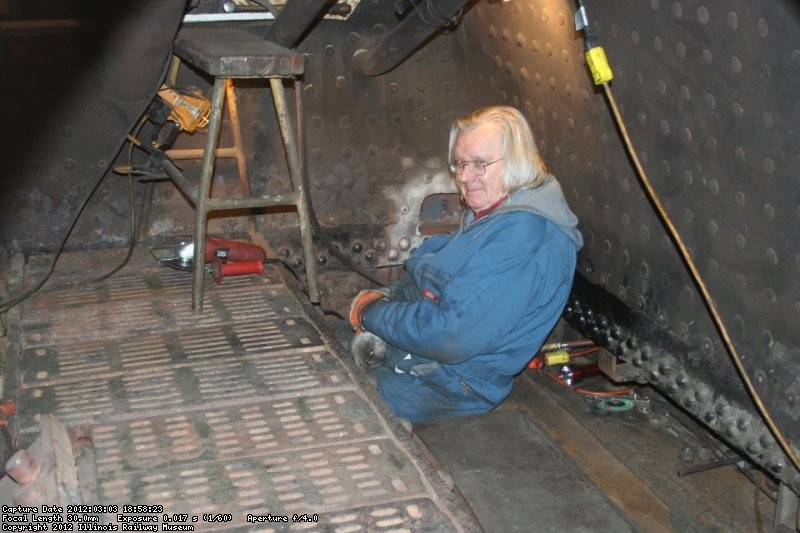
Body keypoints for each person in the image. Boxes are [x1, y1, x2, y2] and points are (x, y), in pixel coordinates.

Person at [348, 105, 583, 423]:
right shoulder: (494, 211)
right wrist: (386, 300)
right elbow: (436, 280)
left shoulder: (523, 238)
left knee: (340, 409)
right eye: (459, 164)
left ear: (516, 162)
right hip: (425, 358)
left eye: (480, 164)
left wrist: (371, 313)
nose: (464, 176)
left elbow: (451, 336)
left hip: (452, 382)